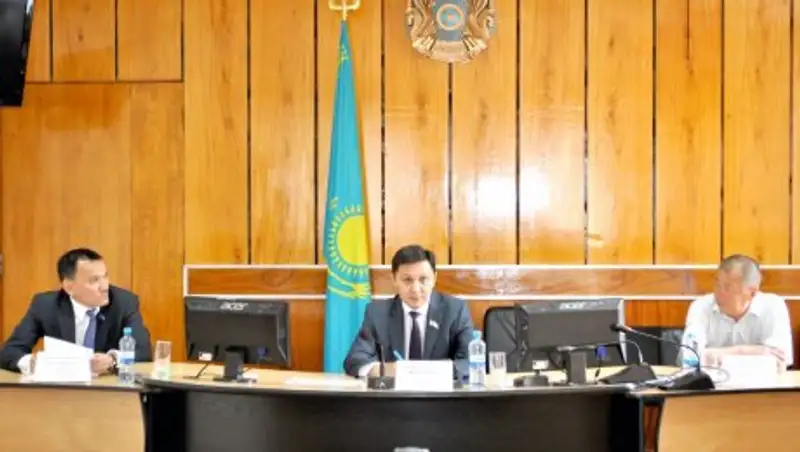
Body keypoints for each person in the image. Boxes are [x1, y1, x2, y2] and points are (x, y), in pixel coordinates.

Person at [0, 248, 153, 375]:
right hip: (62, 393)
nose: (104, 286)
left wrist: (112, 359)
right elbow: (9, 352)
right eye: (94, 280)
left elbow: (143, 351)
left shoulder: (124, 302)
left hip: (109, 391)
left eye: (105, 276)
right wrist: (32, 363)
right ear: (69, 287)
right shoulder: (46, 306)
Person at [343, 244, 474, 379]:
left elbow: (470, 361)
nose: (416, 289)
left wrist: (429, 372)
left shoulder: (455, 310)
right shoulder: (377, 313)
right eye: (407, 280)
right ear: (394, 279)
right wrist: (384, 370)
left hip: (438, 391)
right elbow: (354, 360)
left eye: (423, 280)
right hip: (394, 391)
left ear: (434, 278)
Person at [679, 254, 793, 368]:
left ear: (752, 292)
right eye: (717, 284)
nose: (718, 293)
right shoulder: (701, 307)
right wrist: (749, 351)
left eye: (727, 287)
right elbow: (690, 356)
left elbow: (781, 359)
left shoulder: (773, 306)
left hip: (760, 379)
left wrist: (715, 355)